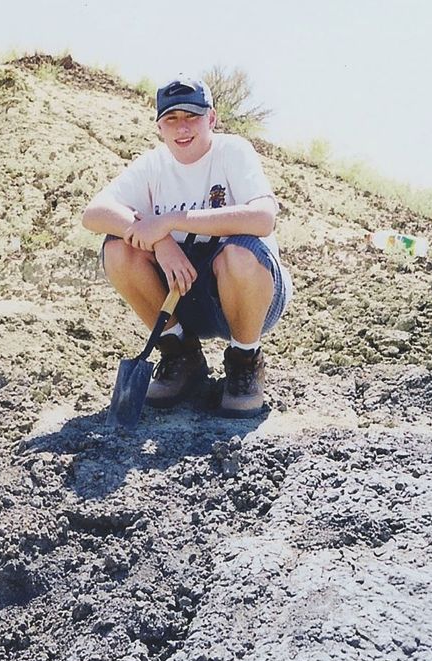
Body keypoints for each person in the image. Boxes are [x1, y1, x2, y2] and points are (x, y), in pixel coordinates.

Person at [81, 75, 292, 418]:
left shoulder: (232, 152)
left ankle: (244, 361)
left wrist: (173, 220)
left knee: (239, 253)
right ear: (159, 127)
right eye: (172, 119)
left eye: (192, 116)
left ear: (211, 118)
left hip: (249, 296)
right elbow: (93, 214)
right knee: (119, 249)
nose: (182, 128)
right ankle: (181, 355)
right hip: (181, 296)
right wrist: (162, 242)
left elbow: (263, 219)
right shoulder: (153, 165)